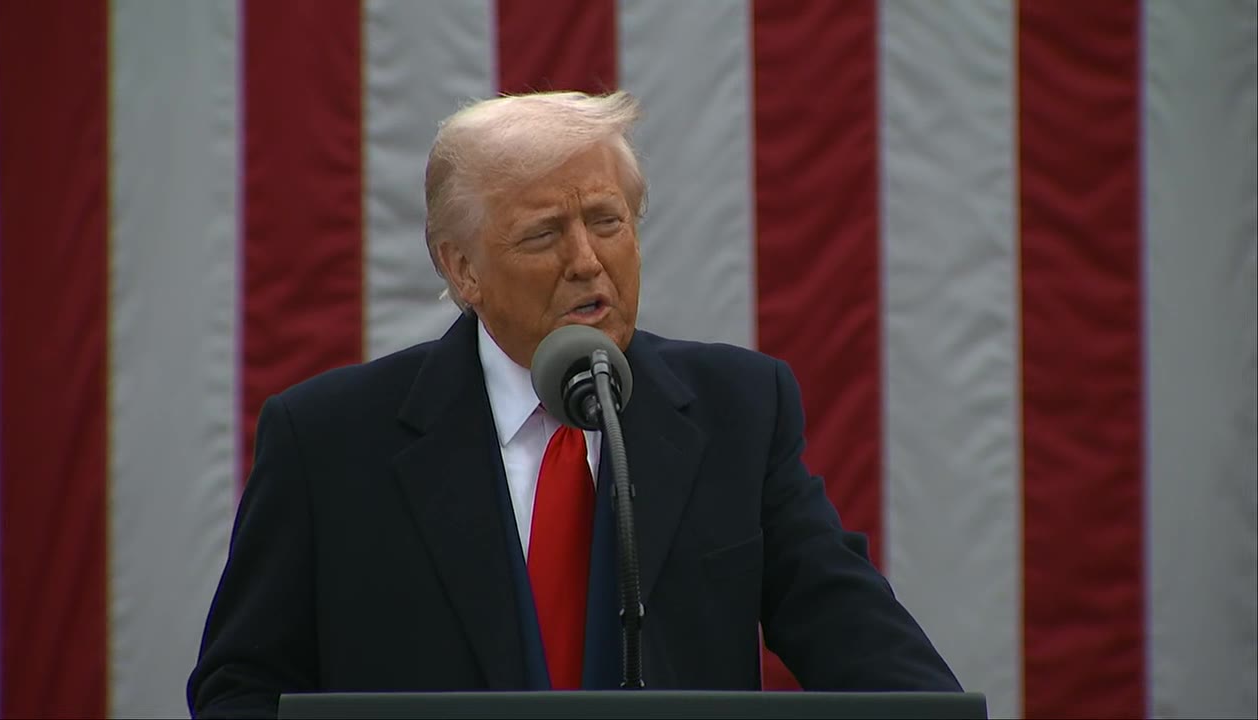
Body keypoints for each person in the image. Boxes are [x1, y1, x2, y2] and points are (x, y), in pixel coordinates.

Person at [187, 90, 961, 719]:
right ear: (462, 269)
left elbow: (862, 644)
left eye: (606, 222)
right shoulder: (328, 441)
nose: (587, 261)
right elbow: (242, 687)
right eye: (543, 235)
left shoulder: (738, 412)